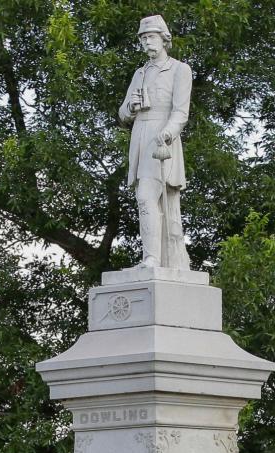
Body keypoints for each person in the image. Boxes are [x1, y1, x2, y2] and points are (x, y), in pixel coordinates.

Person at [119, 15, 192, 270]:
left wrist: (168, 133)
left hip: (163, 140)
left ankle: (152, 259)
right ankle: (152, 257)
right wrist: (131, 106)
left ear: (163, 38)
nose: (146, 42)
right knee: (147, 198)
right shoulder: (139, 73)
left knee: (146, 196)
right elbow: (122, 113)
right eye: (143, 38)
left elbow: (181, 112)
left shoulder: (180, 70)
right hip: (140, 137)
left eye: (150, 37)